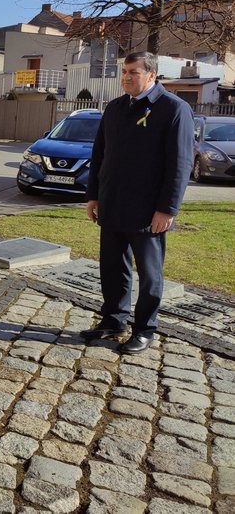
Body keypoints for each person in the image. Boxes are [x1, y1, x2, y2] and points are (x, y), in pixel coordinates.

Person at [83, 51, 193, 354]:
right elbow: (100, 156)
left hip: (148, 211)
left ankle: (145, 329)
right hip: (112, 203)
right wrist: (93, 196)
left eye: (133, 72)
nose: (126, 77)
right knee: (113, 268)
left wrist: (167, 209)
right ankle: (113, 320)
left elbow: (180, 165)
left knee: (149, 273)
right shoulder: (115, 107)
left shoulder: (173, 109)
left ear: (152, 75)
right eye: (124, 71)